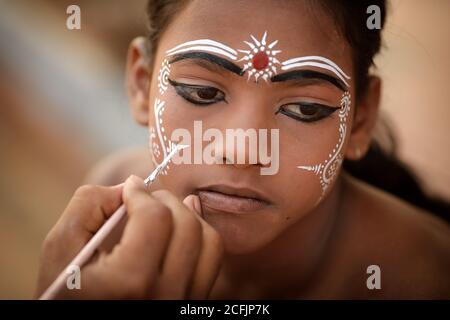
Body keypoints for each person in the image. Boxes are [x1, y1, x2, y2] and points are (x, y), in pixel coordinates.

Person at [36, 0, 450, 299]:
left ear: (360, 120)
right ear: (142, 85)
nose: (242, 149)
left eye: (305, 108)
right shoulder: (105, 224)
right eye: (201, 92)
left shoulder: (426, 276)